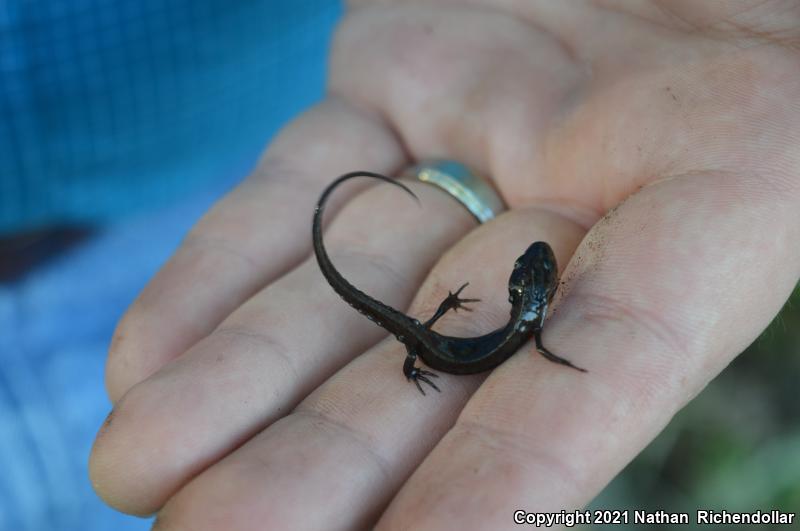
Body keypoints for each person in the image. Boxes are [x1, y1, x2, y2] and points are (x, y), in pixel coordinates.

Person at [89, 1, 800, 529]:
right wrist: (430, 348)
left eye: (535, 273)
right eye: (535, 272)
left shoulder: (529, 318)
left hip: (428, 335)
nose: (537, 272)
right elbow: (539, 346)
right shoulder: (534, 326)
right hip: (426, 339)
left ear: (534, 291)